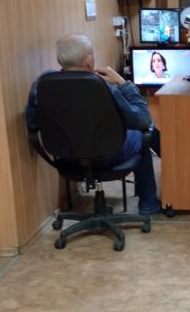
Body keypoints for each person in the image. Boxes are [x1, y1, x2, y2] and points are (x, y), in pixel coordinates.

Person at [26, 33, 162, 216]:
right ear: (89, 61)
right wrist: (123, 83)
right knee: (146, 134)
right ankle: (149, 204)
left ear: (60, 60)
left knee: (142, 134)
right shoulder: (103, 87)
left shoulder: (41, 84)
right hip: (107, 155)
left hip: (65, 157)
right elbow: (142, 120)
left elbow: (32, 125)